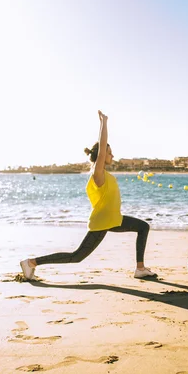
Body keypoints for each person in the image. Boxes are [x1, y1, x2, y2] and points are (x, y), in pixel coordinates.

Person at [19, 110, 157, 280]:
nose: (112, 155)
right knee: (76, 256)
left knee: (143, 226)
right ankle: (31, 263)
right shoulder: (97, 173)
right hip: (102, 222)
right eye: (109, 152)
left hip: (114, 219)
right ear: (100, 155)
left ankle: (140, 269)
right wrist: (104, 123)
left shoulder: (105, 173)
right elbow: (101, 147)